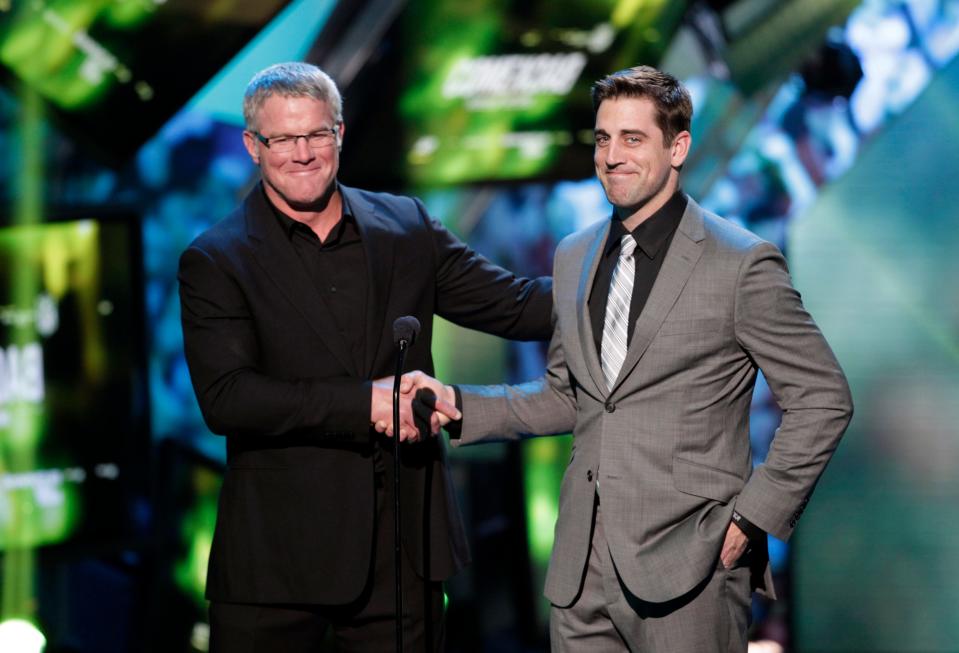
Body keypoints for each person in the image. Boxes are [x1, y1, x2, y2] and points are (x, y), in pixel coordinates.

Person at [403, 66, 853, 651]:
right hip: (580, 575)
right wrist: (460, 404)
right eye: (602, 139)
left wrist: (753, 517)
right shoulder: (575, 256)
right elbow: (569, 397)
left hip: (692, 566)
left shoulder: (740, 263)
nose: (612, 156)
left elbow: (823, 399)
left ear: (678, 147)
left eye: (632, 139)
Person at [177, 61, 552, 652]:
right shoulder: (218, 259)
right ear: (253, 146)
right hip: (278, 560)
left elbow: (517, 306)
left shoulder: (405, 227)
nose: (303, 153)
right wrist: (365, 405)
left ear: (340, 134)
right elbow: (229, 397)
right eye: (284, 139)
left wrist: (629, 272)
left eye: (317, 134)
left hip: (401, 549)